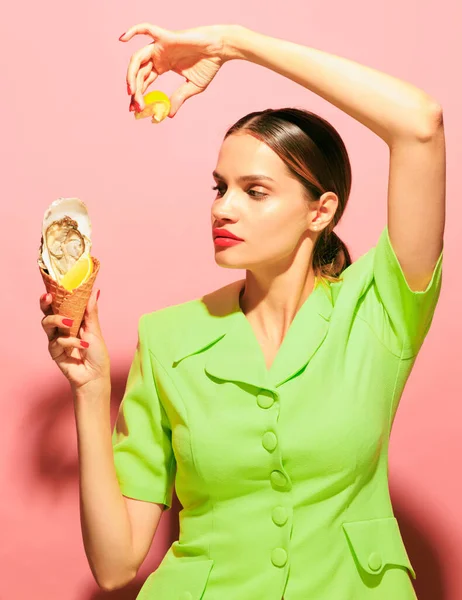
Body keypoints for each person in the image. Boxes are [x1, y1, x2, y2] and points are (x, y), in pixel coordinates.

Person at [40, 23, 445, 600]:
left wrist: (236, 45)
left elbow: (421, 125)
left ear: (320, 211)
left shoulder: (379, 309)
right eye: (219, 186)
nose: (223, 209)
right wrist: (89, 387)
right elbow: (114, 565)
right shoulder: (168, 338)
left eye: (255, 191)